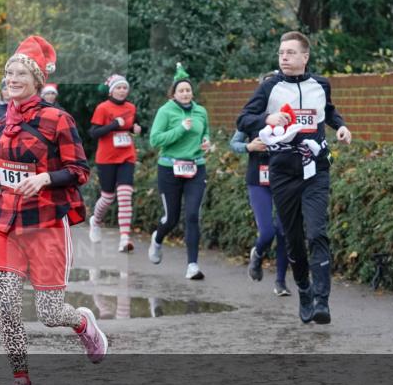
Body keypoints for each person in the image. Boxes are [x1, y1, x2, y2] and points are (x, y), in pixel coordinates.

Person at [0, 35, 106, 385]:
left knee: (48, 313)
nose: (11, 78)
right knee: (8, 307)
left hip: (45, 222)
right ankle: (21, 382)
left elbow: (79, 171)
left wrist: (46, 179)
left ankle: (82, 324)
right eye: (8, 72)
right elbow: (10, 170)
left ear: (36, 80)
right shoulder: (4, 118)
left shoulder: (57, 119)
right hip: (5, 223)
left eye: (19, 73)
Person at [236, 31, 352, 324]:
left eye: (290, 52)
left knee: (317, 232)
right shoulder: (269, 87)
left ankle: (322, 301)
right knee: (294, 239)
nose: (284, 57)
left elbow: (327, 111)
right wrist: (267, 118)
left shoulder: (321, 85)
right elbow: (243, 119)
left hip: (315, 170)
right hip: (283, 172)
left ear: (305, 56)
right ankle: (303, 287)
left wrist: (340, 127)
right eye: (280, 53)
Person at [147, 63, 215, 280]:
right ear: (174, 94)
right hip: (169, 169)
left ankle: (192, 265)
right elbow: (155, 139)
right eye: (181, 91)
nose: (185, 94)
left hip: (196, 167)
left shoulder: (200, 111)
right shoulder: (166, 111)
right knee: (172, 218)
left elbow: (205, 133)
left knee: (193, 215)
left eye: (188, 90)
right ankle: (158, 238)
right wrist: (180, 129)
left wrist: (206, 142)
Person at [229, 119, 291, 297]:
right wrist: (250, 147)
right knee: (267, 232)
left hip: (284, 178)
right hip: (258, 180)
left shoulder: (289, 115)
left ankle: (280, 282)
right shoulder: (252, 116)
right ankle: (257, 255)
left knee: (283, 230)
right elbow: (234, 144)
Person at [88, 73, 143, 253]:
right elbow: (94, 133)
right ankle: (95, 221)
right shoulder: (103, 108)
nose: (122, 91)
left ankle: (124, 238)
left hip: (127, 156)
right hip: (107, 158)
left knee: (125, 194)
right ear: (112, 90)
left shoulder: (131, 107)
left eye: (124, 88)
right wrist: (113, 125)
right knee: (108, 197)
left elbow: (135, 127)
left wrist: (137, 129)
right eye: (118, 88)